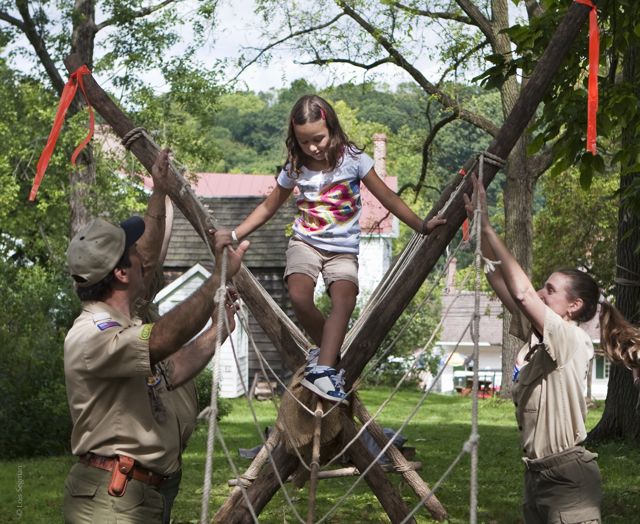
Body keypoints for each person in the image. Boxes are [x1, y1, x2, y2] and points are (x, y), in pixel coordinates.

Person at [216, 94, 445, 403]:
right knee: (298, 294)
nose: (313, 147)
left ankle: (324, 368)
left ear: (332, 127)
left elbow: (388, 198)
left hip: (343, 249)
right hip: (305, 242)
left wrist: (421, 225)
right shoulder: (296, 167)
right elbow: (269, 207)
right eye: (304, 141)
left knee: (344, 298)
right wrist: (232, 233)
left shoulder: (354, 159)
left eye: (318, 139)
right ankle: (328, 356)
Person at [63, 149, 250, 523]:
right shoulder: (91, 336)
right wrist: (217, 278)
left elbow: (171, 370)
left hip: (137, 494)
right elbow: (161, 341)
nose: (142, 257)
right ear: (120, 274)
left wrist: (218, 331)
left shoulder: (125, 321)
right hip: (112, 500)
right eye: (131, 253)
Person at [462, 174, 640, 522]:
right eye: (543, 288)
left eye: (551, 289)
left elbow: (523, 293)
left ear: (573, 306)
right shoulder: (540, 336)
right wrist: (479, 226)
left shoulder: (570, 339)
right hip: (536, 475)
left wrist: (492, 232)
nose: (542, 294)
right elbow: (497, 277)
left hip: (568, 479)